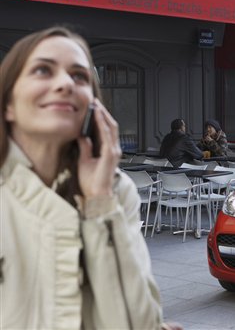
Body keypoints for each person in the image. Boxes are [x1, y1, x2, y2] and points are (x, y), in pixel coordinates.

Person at [0, 27, 179, 329]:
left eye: (79, 76)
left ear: (93, 105)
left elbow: (138, 324)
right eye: (43, 70)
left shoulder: (117, 190)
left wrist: (99, 203)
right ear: (8, 104)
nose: (64, 83)